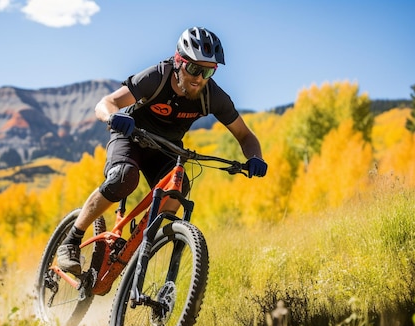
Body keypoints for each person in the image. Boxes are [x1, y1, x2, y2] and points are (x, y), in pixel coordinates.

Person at [57, 26, 268, 274]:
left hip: (165, 149)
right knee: (123, 178)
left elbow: (244, 135)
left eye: (208, 71)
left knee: (179, 190)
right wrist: (113, 117)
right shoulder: (156, 77)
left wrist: (255, 157)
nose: (199, 77)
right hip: (131, 137)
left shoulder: (213, 96)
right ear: (179, 61)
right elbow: (107, 103)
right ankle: (71, 240)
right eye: (194, 68)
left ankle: (134, 252)